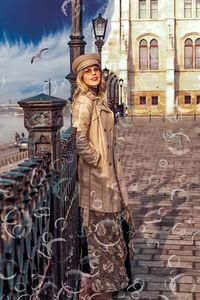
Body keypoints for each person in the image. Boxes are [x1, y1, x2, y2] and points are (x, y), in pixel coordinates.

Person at [70, 53, 136, 300]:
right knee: (100, 240)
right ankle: (99, 292)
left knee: (110, 238)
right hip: (96, 181)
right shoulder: (84, 102)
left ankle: (107, 288)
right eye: (88, 71)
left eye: (96, 69)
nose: (94, 73)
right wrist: (97, 162)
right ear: (81, 77)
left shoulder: (97, 99)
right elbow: (78, 139)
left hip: (107, 179)